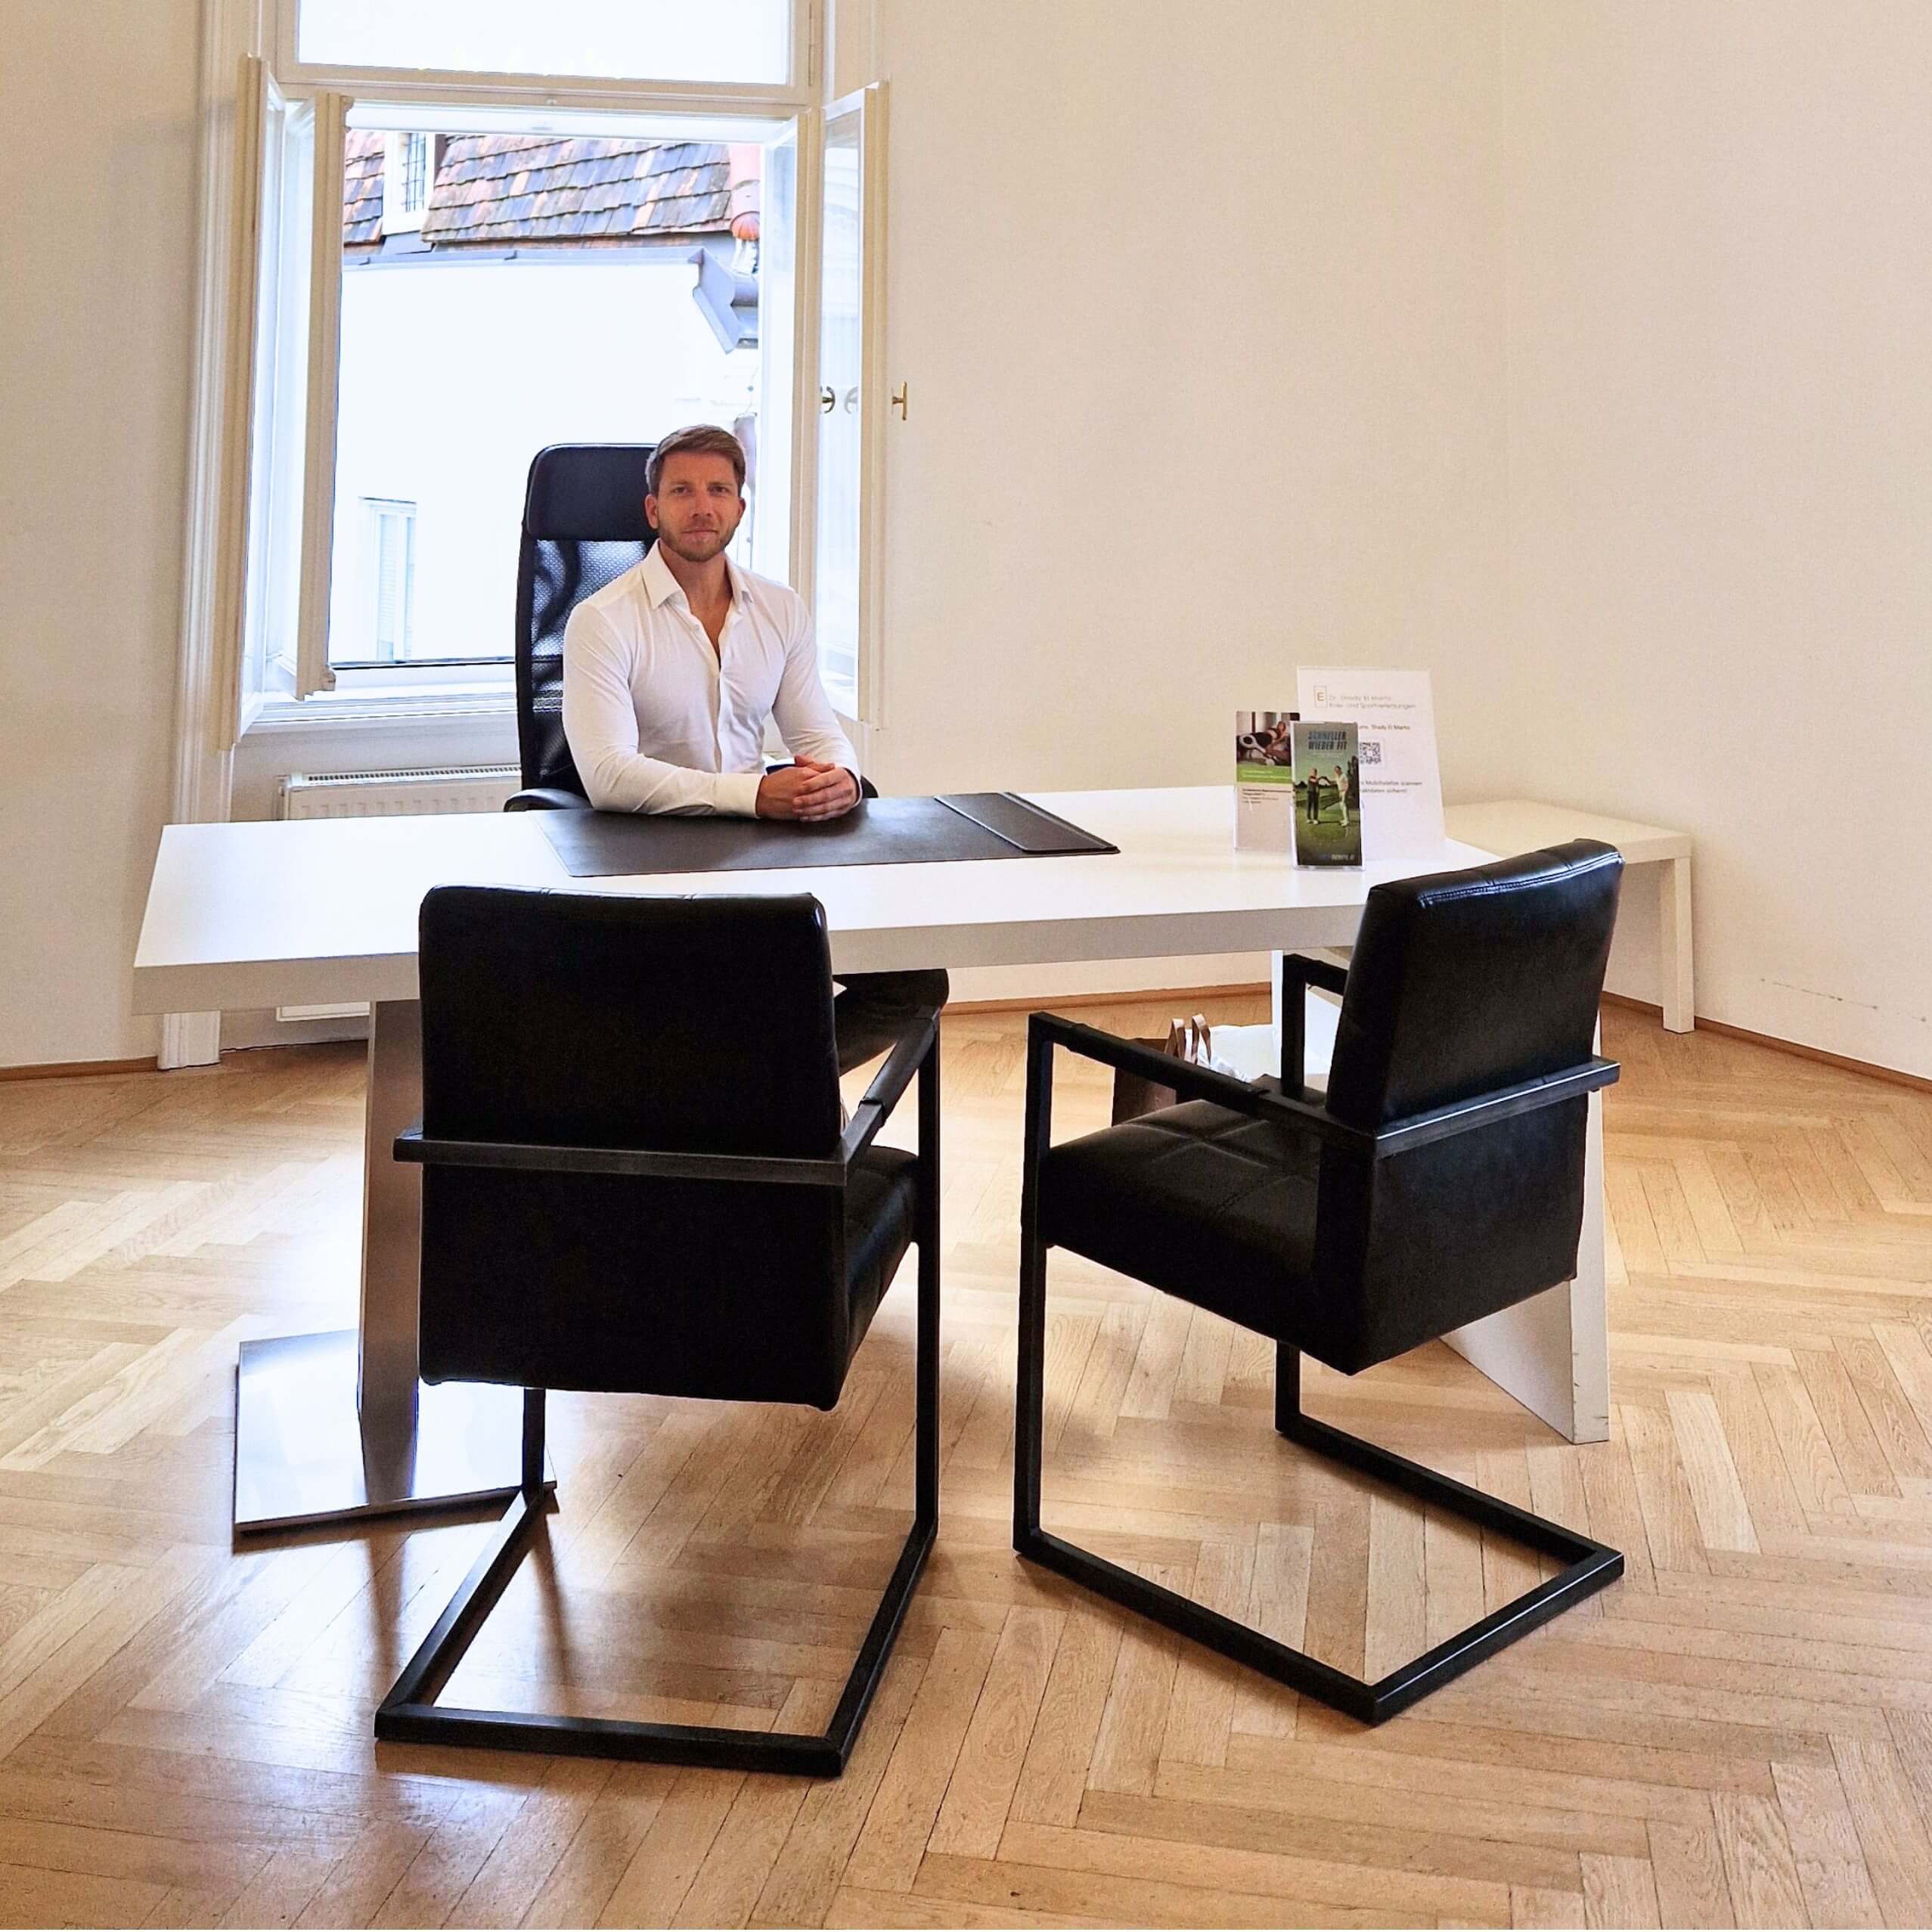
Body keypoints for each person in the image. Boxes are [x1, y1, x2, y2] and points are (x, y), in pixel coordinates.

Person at [561, 423, 947, 1072]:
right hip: (648, 857)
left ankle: (761, 1090)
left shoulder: (779, 609)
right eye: (682, 490)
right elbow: (606, 775)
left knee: (914, 983)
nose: (702, 506)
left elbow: (818, 734)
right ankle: (757, 1098)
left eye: (719, 489)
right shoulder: (602, 619)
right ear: (654, 509)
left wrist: (844, 778)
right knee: (736, 984)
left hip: (757, 854)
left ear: (741, 506)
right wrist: (756, 795)